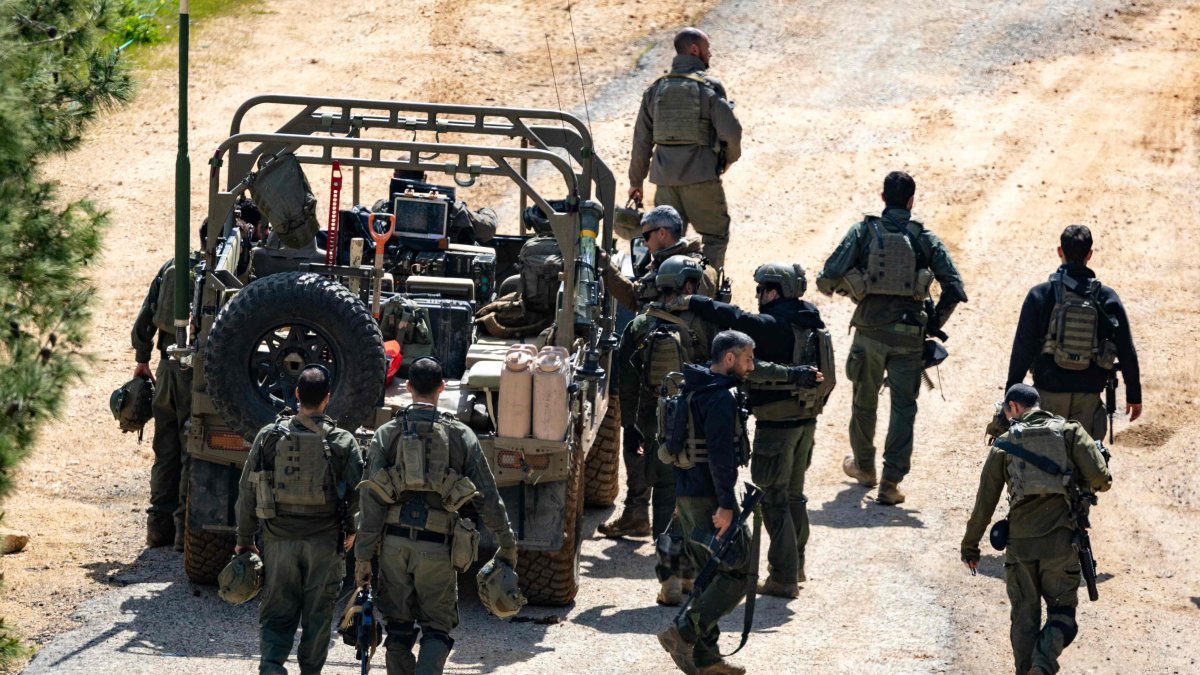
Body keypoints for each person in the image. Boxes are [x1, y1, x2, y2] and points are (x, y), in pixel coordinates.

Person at [354, 357, 517, 674]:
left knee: (398, 629)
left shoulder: (386, 434)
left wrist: (363, 557)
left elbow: (370, 501)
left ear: (408, 387)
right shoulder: (461, 435)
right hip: (438, 547)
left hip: (393, 547)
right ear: (442, 388)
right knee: (437, 630)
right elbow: (487, 496)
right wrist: (506, 542)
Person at [676, 262, 830, 597]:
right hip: (805, 423)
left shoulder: (773, 325)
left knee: (773, 499)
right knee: (794, 497)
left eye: (761, 289)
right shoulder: (808, 318)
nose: (758, 296)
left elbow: (738, 319)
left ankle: (783, 577)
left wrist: (694, 301)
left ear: (773, 292)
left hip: (777, 427)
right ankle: (795, 565)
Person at [816, 171, 968, 505]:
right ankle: (890, 482)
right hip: (910, 338)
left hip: (869, 333)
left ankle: (864, 467)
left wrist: (852, 287)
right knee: (904, 408)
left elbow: (826, 277)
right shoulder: (923, 237)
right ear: (911, 201)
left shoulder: (863, 231)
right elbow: (955, 288)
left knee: (863, 401)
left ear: (883, 197)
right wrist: (933, 323)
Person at [961, 384, 1112, 675]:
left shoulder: (1004, 443)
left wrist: (970, 546)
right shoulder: (1071, 432)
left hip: (1020, 546)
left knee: (1024, 619)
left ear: (1014, 407)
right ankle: (1042, 665)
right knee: (1063, 616)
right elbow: (1101, 481)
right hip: (1062, 544)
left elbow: (984, 503)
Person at [601, 256, 717, 606]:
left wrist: (631, 428)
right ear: (688, 285)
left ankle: (670, 580)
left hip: (658, 427)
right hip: (701, 428)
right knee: (697, 503)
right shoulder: (707, 322)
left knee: (666, 502)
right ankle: (690, 574)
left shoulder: (639, 325)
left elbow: (627, 385)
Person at [234, 365, 363, 675]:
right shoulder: (343, 441)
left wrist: (244, 540)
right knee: (318, 617)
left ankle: (271, 667)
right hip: (325, 544)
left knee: (277, 612)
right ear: (327, 398)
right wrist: (351, 530)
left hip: (279, 541)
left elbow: (247, 491)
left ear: (296, 394)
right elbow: (359, 493)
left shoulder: (269, 436)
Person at [657, 330, 755, 675]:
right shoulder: (720, 398)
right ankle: (683, 633)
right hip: (709, 499)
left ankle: (706, 659)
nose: (751, 366)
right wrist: (726, 505)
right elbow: (720, 456)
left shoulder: (692, 387)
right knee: (738, 570)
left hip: (688, 495)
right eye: (747, 359)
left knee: (707, 574)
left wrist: (681, 500)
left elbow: (678, 445)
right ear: (729, 358)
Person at [1005, 224, 1142, 441]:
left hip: (1047, 394)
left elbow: (1023, 348)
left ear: (1060, 251)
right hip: (1089, 396)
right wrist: (1134, 395)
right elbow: (1126, 349)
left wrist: (1011, 395)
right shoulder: (1106, 297)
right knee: (1084, 457)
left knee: (1045, 456)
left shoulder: (1040, 294)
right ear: (1089, 255)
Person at [629, 27, 742, 269]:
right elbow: (732, 131)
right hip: (701, 180)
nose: (709, 54)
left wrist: (636, 181)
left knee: (665, 241)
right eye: (707, 49)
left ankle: (664, 287)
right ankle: (707, 287)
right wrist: (728, 159)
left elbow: (641, 140)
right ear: (694, 50)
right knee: (715, 236)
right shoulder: (709, 88)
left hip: (665, 183)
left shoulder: (655, 90)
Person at [131, 257, 193, 549]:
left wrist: (142, 359)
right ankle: (183, 532)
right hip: (198, 375)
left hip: (166, 369)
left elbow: (146, 316)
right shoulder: (235, 264)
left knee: (165, 451)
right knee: (192, 452)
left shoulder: (174, 266)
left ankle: (158, 528)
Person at [601, 205, 716, 311]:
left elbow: (691, 316)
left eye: (646, 237)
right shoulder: (662, 263)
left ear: (662, 233)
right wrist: (606, 266)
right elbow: (634, 298)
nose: (645, 243)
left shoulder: (693, 268)